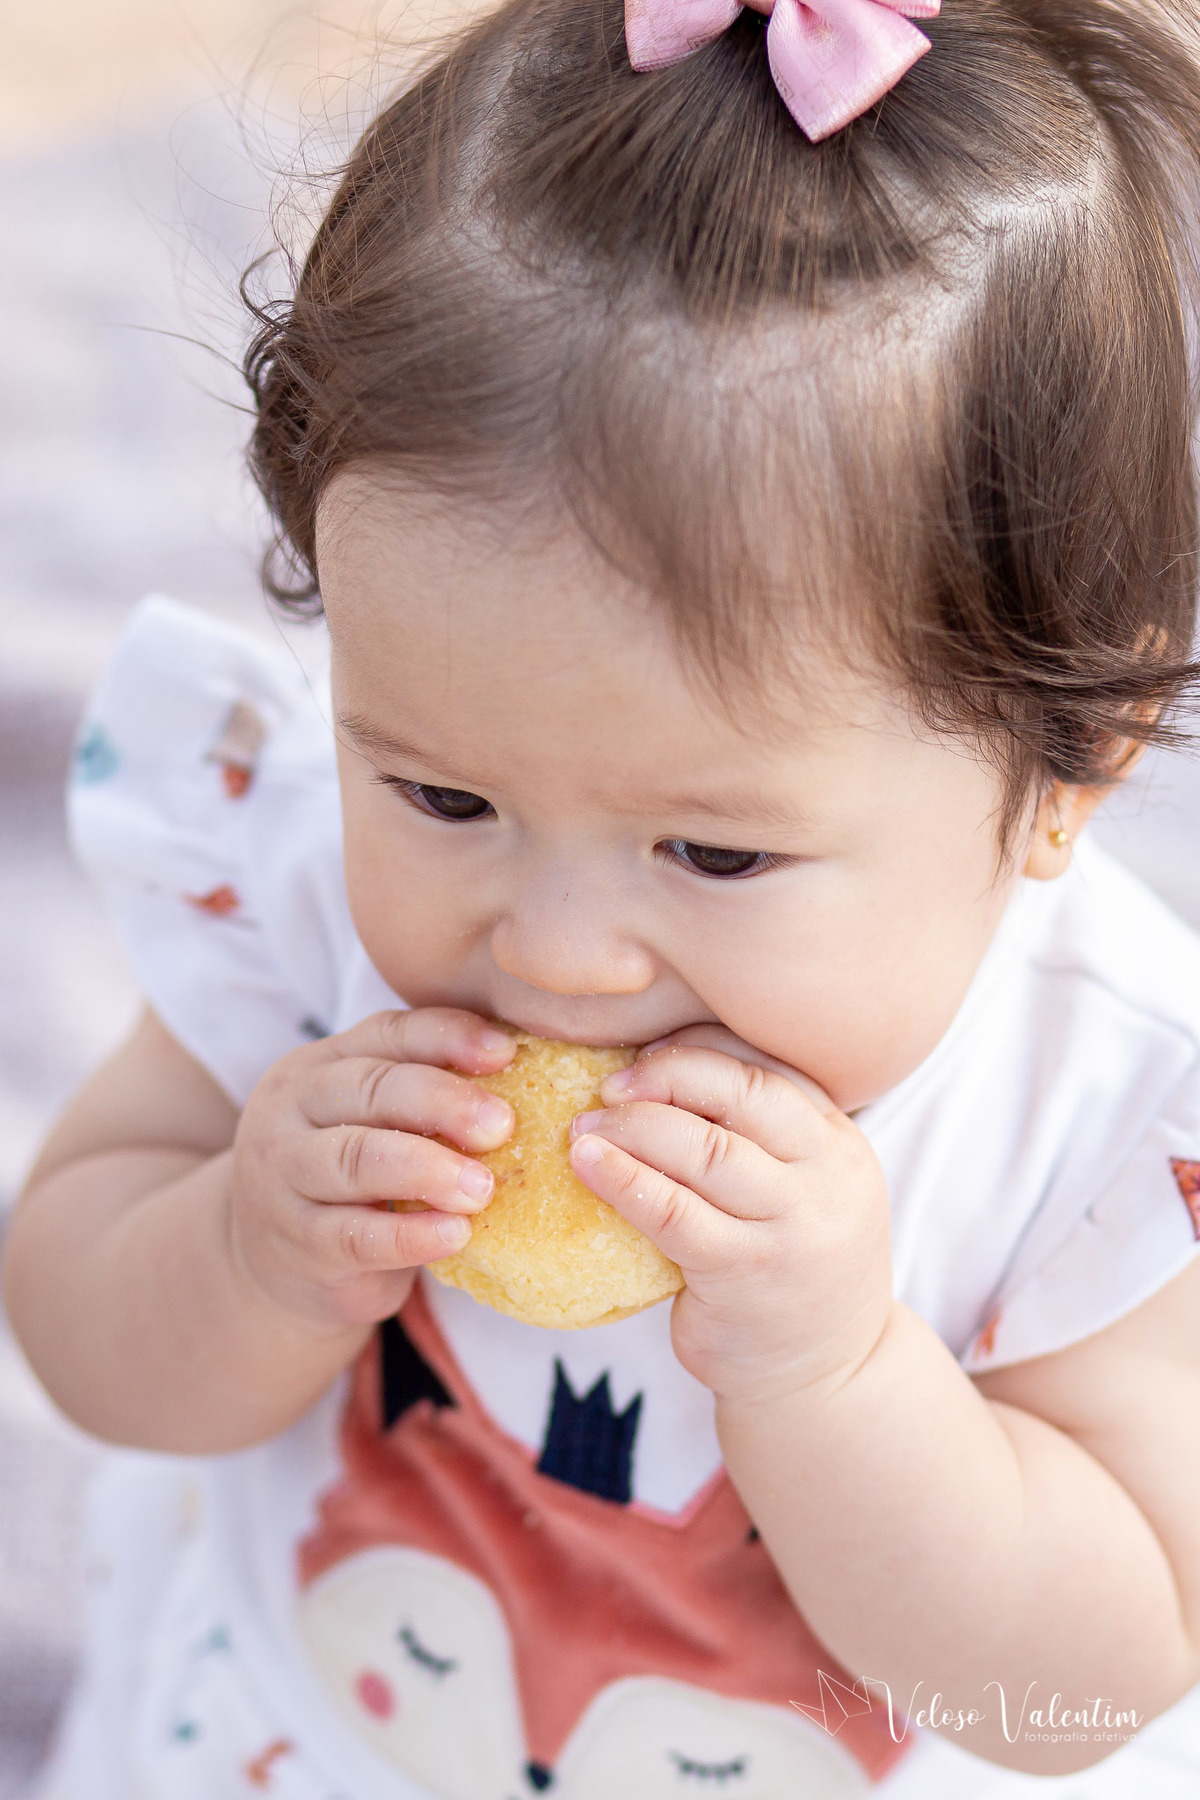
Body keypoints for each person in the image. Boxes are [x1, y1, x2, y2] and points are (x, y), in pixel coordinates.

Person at [9, 0, 1200, 1791]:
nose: (556, 956)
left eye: (715, 854)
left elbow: (1098, 1679)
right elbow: (81, 1329)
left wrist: (834, 1377)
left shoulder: (1090, 1119)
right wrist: (249, 1250)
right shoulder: (303, 907)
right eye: (444, 793)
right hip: (283, 1736)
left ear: (1067, 771)